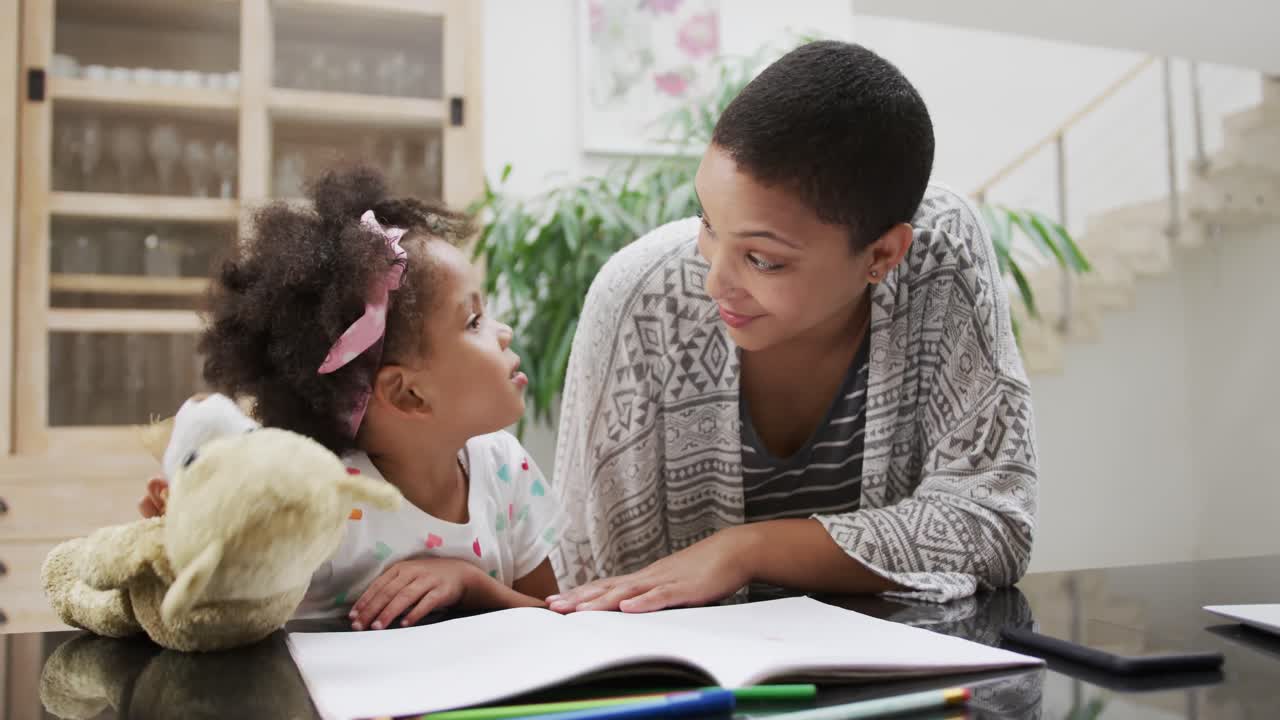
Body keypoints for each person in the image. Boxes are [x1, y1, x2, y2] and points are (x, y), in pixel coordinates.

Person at [547, 41, 1037, 613]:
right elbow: (594, 579)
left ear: (882, 254)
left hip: (889, 681)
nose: (715, 281)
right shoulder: (639, 300)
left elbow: (994, 520)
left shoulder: (941, 255)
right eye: (708, 222)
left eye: (763, 259)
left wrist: (747, 550)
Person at [140, 165, 564, 630]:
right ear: (408, 394)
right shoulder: (317, 504)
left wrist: (470, 584)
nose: (503, 333)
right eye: (474, 321)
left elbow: (553, 620)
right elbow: (213, 617)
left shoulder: (505, 468)